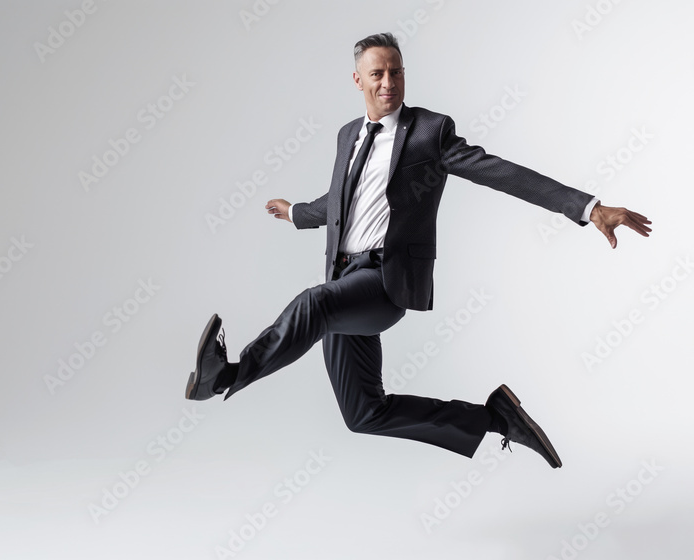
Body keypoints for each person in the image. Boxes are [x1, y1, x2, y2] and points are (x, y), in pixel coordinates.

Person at [184, 32, 651, 468]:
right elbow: (342, 198)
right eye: (378, 74)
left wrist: (587, 208)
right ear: (358, 80)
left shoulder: (429, 132)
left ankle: (226, 375)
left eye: (397, 72)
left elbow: (502, 172)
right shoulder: (348, 134)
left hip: (384, 282)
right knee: (363, 414)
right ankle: (495, 418)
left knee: (314, 304)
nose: (389, 83)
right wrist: (297, 213)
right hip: (344, 282)